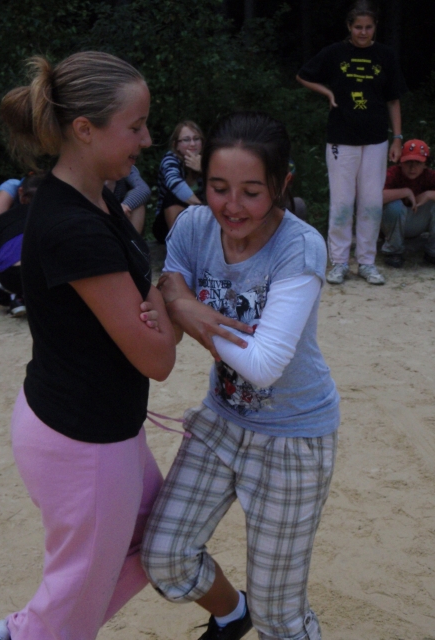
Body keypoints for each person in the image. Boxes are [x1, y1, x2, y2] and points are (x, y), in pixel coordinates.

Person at [0, 51, 176, 640]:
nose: (147, 139)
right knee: (68, 619)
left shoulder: (97, 197)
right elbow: (157, 358)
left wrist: (155, 301)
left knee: (162, 544)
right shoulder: (73, 225)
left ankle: (14, 633)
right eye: (136, 126)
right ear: (85, 130)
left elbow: (142, 301)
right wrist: (169, 300)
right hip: (84, 446)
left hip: (99, 429)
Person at [141, 112, 339, 640]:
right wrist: (177, 304)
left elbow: (265, 365)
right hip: (221, 420)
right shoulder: (192, 226)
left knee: (279, 616)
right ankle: (233, 612)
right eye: (218, 187)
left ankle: (267, 618)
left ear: (281, 184)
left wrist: (185, 305)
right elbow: (168, 313)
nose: (232, 206)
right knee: (164, 555)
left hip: (293, 436)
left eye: (252, 192)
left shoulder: (300, 246)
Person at [296, 0, 406, 286]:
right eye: (358, 27)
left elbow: (393, 99)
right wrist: (328, 93)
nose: (363, 32)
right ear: (349, 27)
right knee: (342, 202)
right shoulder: (335, 53)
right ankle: (340, 262)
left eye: (368, 27)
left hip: (376, 139)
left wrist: (397, 138)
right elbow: (303, 75)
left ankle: (367, 262)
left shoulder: (385, 55)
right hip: (341, 139)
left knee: (371, 202)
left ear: (375, 27)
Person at [0, 173, 45, 317]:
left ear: (21, 195)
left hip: (11, 277)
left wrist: (8, 299)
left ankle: (19, 299)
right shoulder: (57, 214)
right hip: (45, 274)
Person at [381, 139, 435, 267]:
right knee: (395, 206)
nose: (412, 167)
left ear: (425, 164)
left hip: (417, 221)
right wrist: (405, 192)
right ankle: (394, 251)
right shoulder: (393, 173)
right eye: (408, 162)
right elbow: (373, 198)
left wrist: (429, 194)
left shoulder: (429, 175)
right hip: (390, 225)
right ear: (401, 162)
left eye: (418, 163)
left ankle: (432, 251)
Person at [152, 120, 204, 243]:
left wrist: (203, 169)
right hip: (165, 224)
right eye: (186, 140)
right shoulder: (170, 159)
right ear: (176, 145)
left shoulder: (207, 161)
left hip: (200, 221)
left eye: (196, 139)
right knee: (172, 196)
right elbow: (174, 183)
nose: (192, 144)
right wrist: (203, 208)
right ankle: (178, 244)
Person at [106, 164, 151, 234]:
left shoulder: (125, 166)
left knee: (138, 202)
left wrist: (122, 208)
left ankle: (133, 240)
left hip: (122, 218)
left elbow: (143, 189)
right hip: (98, 219)